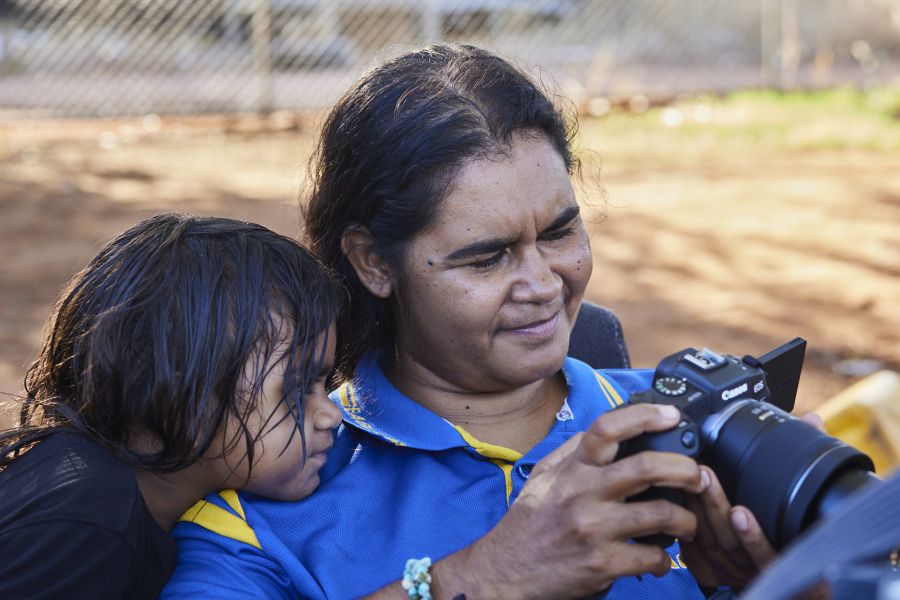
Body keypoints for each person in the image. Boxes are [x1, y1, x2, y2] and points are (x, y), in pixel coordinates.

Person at [163, 45, 781, 599]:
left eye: (561, 232)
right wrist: (481, 578)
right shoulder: (266, 505)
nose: (543, 285)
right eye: (487, 257)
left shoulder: (697, 423)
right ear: (374, 262)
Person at [0, 214, 343, 599]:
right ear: (182, 392)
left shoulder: (121, 499)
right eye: (297, 388)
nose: (331, 413)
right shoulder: (90, 525)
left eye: (325, 385)